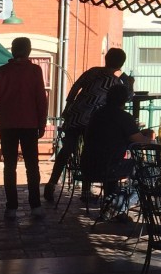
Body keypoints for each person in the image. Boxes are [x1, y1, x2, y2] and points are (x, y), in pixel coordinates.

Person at [44, 47, 134, 203]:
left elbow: (75, 88)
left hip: (76, 114)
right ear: (120, 65)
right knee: (89, 151)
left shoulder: (93, 71)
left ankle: (52, 183)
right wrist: (130, 84)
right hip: (93, 121)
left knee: (66, 150)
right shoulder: (115, 82)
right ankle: (86, 190)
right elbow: (125, 98)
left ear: (106, 59)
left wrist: (68, 106)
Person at [0, 36, 49, 221]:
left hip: (7, 124)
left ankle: (11, 207)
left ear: (12, 50)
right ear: (29, 50)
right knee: (32, 166)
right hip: (29, 124)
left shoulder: (3, 71)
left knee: (9, 167)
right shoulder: (35, 71)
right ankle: (35, 205)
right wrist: (42, 123)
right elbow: (41, 99)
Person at [79, 83, 154, 216]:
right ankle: (118, 206)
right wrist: (151, 138)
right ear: (125, 100)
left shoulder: (97, 114)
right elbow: (140, 140)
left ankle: (113, 202)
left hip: (87, 165)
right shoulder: (124, 117)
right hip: (109, 167)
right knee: (148, 172)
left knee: (116, 163)